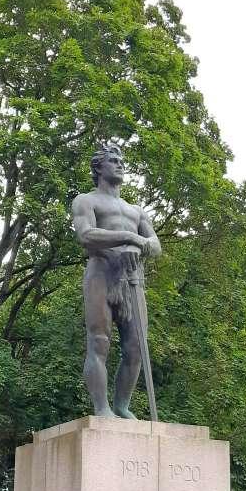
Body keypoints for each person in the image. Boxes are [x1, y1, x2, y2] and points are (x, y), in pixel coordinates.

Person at [71, 143, 161, 418]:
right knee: (99, 341)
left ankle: (122, 406)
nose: (120, 164)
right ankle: (102, 408)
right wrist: (129, 238)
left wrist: (142, 244)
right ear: (99, 167)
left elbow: (155, 245)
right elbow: (85, 235)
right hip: (101, 273)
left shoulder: (136, 210)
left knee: (136, 347)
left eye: (121, 160)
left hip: (132, 280)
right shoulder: (86, 200)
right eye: (113, 160)